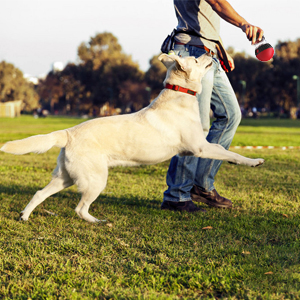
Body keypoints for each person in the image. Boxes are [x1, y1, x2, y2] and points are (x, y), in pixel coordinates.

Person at [161, 0, 264, 212]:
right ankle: (177, 195)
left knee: (231, 115)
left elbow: (204, 19)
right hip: (192, 53)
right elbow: (217, 3)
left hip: (208, 52)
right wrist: (244, 24)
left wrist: (219, 49)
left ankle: (201, 185)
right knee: (195, 128)